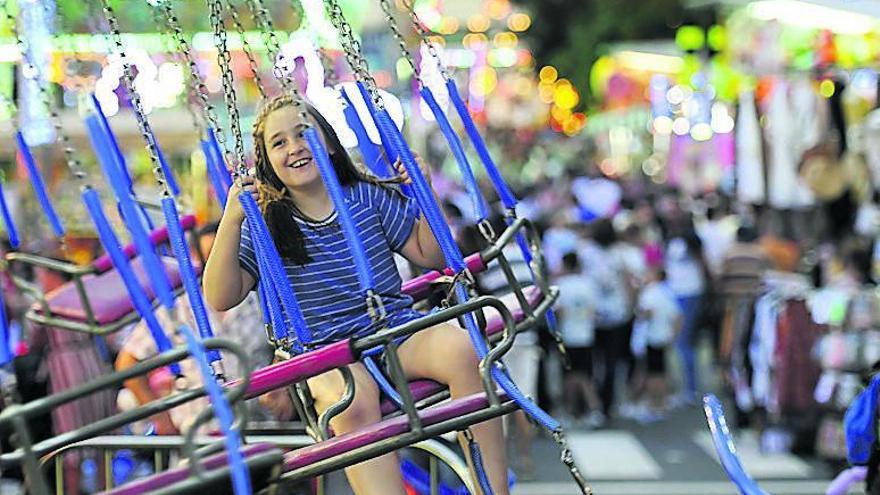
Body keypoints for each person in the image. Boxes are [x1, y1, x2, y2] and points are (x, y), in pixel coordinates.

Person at [202, 94, 509, 495]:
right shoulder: (268, 224)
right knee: (352, 402)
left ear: (329, 143)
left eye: (304, 134)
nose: (294, 147)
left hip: (394, 331)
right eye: (279, 142)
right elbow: (220, 295)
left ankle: (493, 489)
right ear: (267, 163)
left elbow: (431, 254)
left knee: (465, 349)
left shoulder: (364, 194)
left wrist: (425, 190)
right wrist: (232, 216)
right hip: (323, 351)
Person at [554, 252, 603, 428]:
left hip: (568, 336)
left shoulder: (561, 286)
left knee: (570, 377)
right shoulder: (588, 284)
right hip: (586, 335)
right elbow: (595, 310)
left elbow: (558, 312)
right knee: (585, 375)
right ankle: (593, 410)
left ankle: (571, 411)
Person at [632, 268, 681, 422]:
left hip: (652, 337)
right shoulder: (667, 293)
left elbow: (647, 313)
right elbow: (678, 316)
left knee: (654, 374)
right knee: (661, 372)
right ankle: (663, 404)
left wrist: (638, 312)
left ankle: (655, 406)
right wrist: (673, 335)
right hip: (664, 337)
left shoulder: (649, 293)